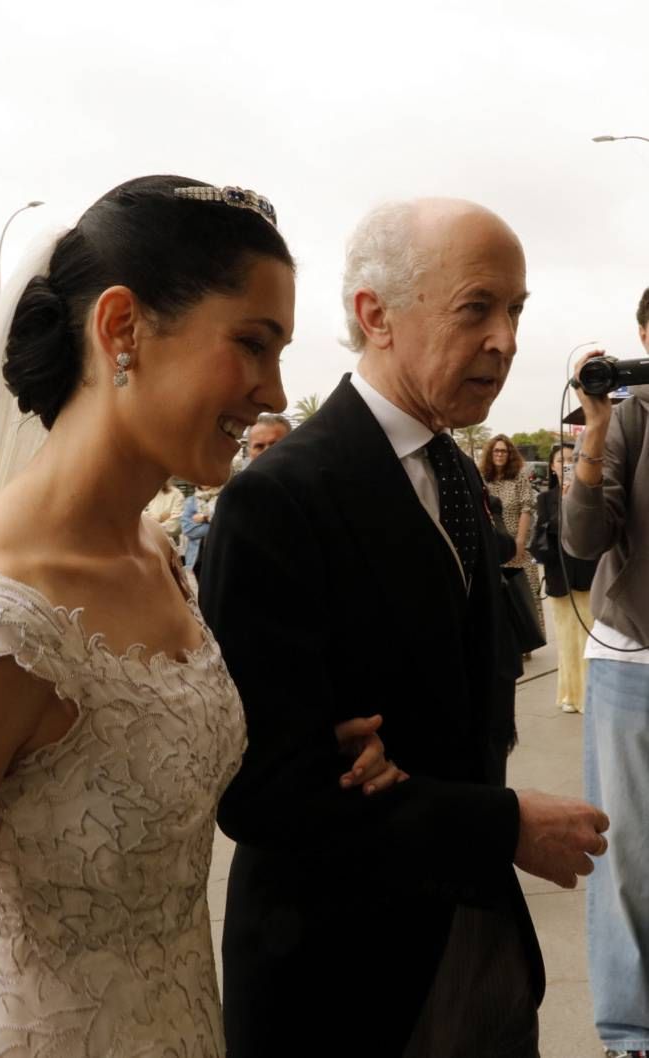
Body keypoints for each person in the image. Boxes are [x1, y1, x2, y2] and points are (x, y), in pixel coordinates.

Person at [0, 176, 396, 1058]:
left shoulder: (154, 558)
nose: (273, 391)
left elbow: (119, 784)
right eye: (252, 344)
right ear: (120, 329)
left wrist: (317, 754)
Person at [199, 197, 610, 1058]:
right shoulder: (278, 500)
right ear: (374, 316)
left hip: (478, 954)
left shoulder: (454, 472)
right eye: (476, 307)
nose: (504, 338)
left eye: (516, 311)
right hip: (343, 984)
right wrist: (501, 825)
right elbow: (264, 789)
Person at [563, 313, 649, 1058]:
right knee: (627, 854)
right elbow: (582, 540)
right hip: (633, 660)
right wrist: (592, 434)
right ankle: (629, 1032)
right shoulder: (627, 418)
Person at [530, 444, 597, 713]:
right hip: (560, 575)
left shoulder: (593, 494)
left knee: (588, 636)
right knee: (567, 640)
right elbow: (546, 533)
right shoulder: (546, 499)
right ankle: (570, 693)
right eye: (561, 460)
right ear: (553, 467)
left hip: (588, 573)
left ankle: (590, 694)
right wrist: (564, 505)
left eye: (572, 459)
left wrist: (576, 500)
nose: (566, 464)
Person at [480, 433, 546, 652]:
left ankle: (526, 639)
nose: (500, 454)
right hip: (492, 546)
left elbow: (528, 508)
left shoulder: (519, 477)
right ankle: (505, 642)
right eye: (496, 451)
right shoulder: (482, 479)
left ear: (510, 455)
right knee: (499, 597)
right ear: (490, 454)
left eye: (504, 451)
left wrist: (519, 541)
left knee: (524, 592)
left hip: (517, 545)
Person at [144, 477, 184, 542]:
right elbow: (139, 520)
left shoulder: (176, 494)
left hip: (168, 542)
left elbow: (176, 525)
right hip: (147, 542)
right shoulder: (145, 493)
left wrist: (151, 526)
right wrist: (159, 518)